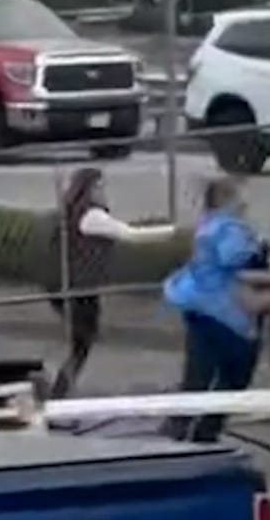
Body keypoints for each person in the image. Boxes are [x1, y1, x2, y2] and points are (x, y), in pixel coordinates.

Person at [43, 167, 175, 399]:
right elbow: (131, 235)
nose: (104, 191)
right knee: (82, 341)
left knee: (82, 339)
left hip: (73, 285)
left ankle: (60, 387)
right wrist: (174, 232)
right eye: (100, 187)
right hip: (76, 288)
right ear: (89, 189)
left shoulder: (74, 210)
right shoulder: (91, 216)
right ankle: (58, 392)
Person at [161, 176, 267, 443]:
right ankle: (201, 431)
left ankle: (182, 427)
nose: (246, 203)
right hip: (224, 313)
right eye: (240, 197)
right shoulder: (229, 228)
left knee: (200, 374)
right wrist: (256, 250)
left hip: (202, 307)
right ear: (226, 201)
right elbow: (234, 257)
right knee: (234, 372)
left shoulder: (207, 226)